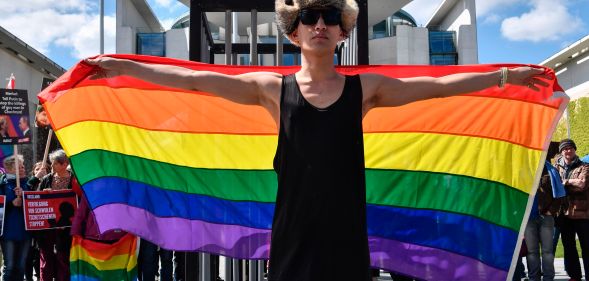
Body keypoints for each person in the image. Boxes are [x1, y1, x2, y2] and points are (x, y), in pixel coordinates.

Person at [85, 0, 550, 279]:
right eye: (310, 16)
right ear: (294, 31)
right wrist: (126, 67)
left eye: (330, 15)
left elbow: (442, 85)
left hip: (347, 233)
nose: (320, 23)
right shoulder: (271, 88)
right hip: (292, 232)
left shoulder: (365, 89)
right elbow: (192, 81)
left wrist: (505, 75)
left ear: (344, 31)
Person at [29, 149, 74, 281]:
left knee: (63, 259)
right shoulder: (47, 179)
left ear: (64, 164)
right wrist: (44, 193)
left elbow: (79, 201)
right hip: (47, 228)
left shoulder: (74, 180)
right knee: (46, 259)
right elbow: (36, 200)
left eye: (54, 163)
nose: (51, 166)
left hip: (66, 228)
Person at [524, 143, 564, 281]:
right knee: (532, 251)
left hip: (546, 217)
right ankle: (534, 278)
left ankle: (548, 278)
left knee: (547, 251)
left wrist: (551, 211)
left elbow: (559, 195)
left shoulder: (551, 170)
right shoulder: (523, 170)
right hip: (528, 218)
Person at [555, 139, 589, 281]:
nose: (568, 151)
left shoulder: (585, 166)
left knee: (587, 247)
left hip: (582, 213)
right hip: (563, 214)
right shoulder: (556, 167)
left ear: (574, 150)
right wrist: (570, 184)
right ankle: (574, 276)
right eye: (565, 149)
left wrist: (565, 182)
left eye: (570, 148)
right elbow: (553, 186)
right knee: (569, 247)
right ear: (561, 152)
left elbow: (583, 184)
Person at [0, 154, 33, 281]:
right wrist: (11, 202)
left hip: (25, 232)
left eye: (23, 166)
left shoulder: (27, 184)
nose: (24, 169)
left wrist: (24, 196)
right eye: (19, 167)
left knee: (21, 267)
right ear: (9, 169)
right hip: (8, 232)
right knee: (9, 267)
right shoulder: (3, 184)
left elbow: (36, 203)